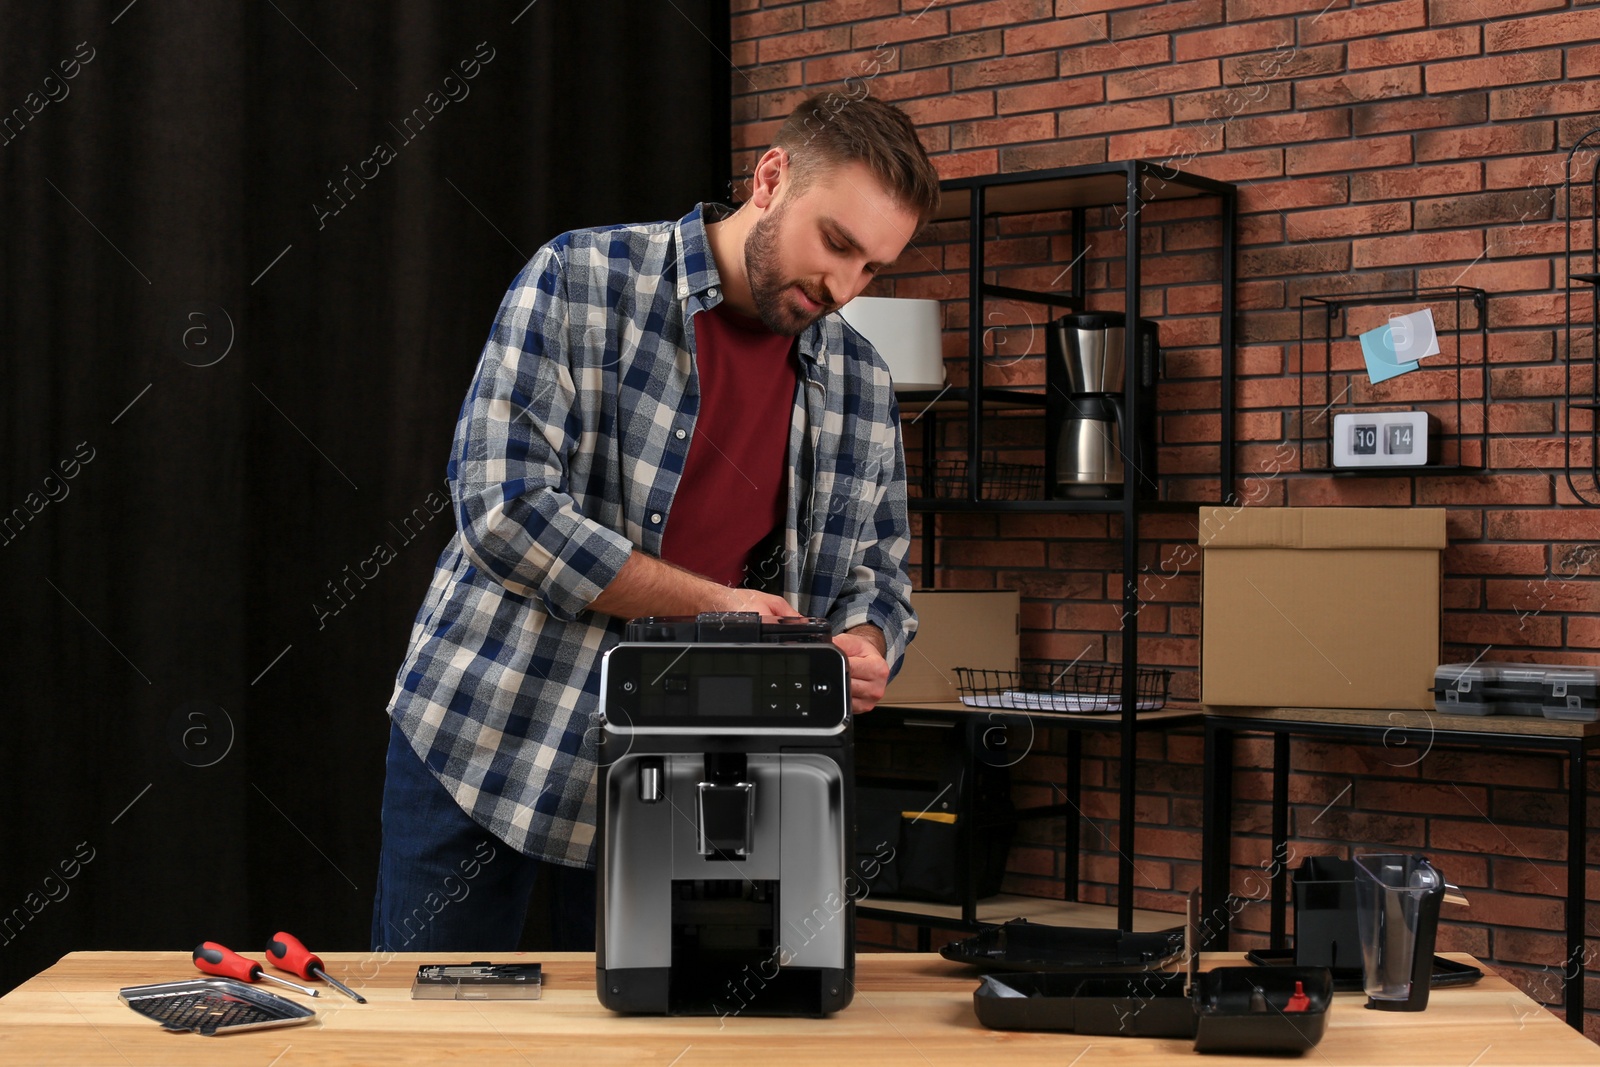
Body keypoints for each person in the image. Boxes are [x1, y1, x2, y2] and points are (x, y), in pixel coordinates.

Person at [371, 92, 942, 953]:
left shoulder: (860, 382)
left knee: (629, 1035)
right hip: (488, 731)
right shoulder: (580, 278)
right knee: (423, 1028)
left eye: (873, 270)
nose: (843, 288)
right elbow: (503, 508)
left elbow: (878, 571)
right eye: (837, 244)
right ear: (772, 176)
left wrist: (868, 641)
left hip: (672, 778)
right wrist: (715, 606)